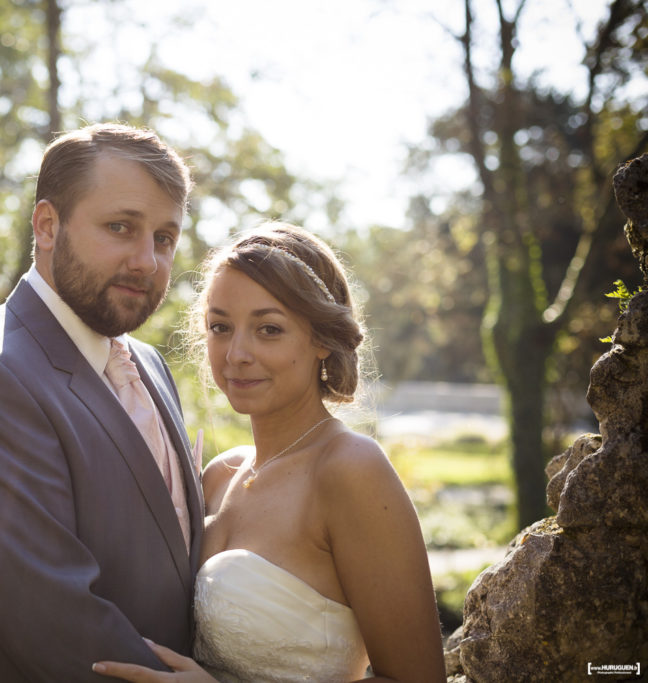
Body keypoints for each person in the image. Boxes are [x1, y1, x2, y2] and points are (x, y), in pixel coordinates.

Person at [0, 123, 205, 682]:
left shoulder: (150, 366)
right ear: (47, 225)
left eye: (164, 238)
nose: (147, 260)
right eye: (121, 227)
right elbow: (64, 635)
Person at [93, 222, 445, 682]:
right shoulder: (219, 476)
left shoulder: (350, 470)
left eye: (268, 329)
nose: (236, 353)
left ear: (321, 339)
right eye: (221, 326)